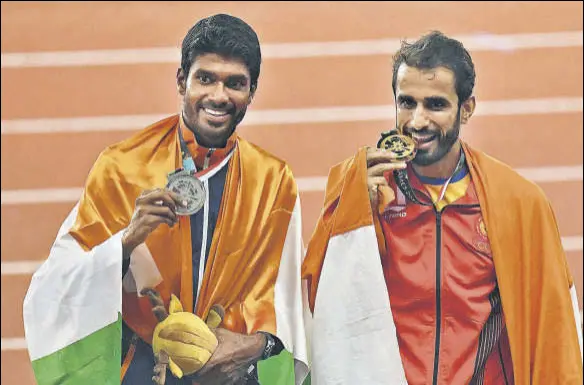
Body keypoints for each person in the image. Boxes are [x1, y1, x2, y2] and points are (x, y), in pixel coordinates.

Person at [23, 14, 309, 385]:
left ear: (252, 91)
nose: (219, 97)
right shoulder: (122, 168)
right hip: (144, 368)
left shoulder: (273, 181)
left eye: (235, 83)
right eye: (205, 78)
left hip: (230, 372)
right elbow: (57, 285)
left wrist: (252, 347)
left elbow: (290, 303)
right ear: (181, 80)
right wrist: (125, 243)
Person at [302, 31, 583, 384]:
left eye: (436, 105)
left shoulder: (517, 202)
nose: (417, 121)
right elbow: (320, 306)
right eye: (406, 103)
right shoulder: (361, 190)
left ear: (467, 109)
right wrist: (356, 221)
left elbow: (553, 326)